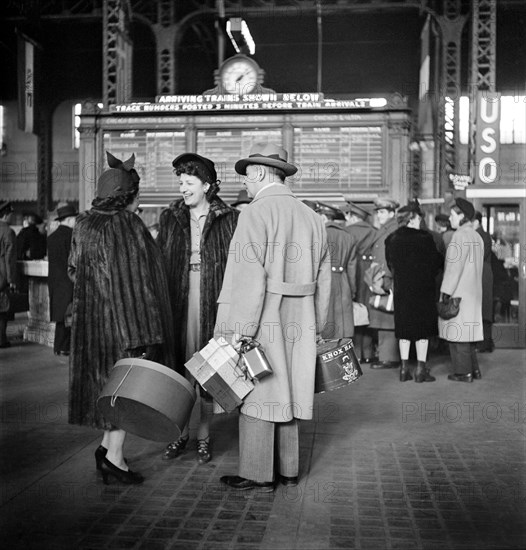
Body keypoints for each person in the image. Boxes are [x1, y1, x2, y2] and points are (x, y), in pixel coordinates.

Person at [216, 143, 331, 491]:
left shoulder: (254, 214)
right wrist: (317, 325)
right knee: (291, 393)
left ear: (261, 173)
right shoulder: (313, 217)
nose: (245, 186)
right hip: (302, 316)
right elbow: (326, 280)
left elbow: (248, 279)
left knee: (259, 394)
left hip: (264, 316)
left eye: (247, 178)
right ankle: (289, 469)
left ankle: (257, 473)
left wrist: (239, 331)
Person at [68, 152, 175, 484]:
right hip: (124, 326)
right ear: (129, 195)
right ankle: (115, 460)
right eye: (137, 195)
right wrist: (144, 336)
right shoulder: (125, 224)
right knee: (124, 392)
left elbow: (73, 270)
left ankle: (104, 448)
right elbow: (136, 283)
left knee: (104, 388)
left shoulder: (84, 222)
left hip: (91, 326)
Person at [157, 152, 239, 464]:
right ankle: (178, 435)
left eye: (189, 182)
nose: (183, 188)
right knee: (179, 371)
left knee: (207, 372)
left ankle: (203, 437)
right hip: (178, 304)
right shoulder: (170, 217)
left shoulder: (229, 219)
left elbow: (238, 266)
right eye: (180, 182)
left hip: (213, 304)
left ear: (206, 185)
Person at [385, 201, 443, 382]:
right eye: (418, 217)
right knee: (422, 332)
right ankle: (420, 370)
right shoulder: (426, 239)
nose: (420, 221)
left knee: (404, 330)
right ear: (412, 218)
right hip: (423, 291)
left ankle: (403, 370)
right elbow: (437, 264)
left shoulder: (392, 239)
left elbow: (390, 264)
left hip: (402, 290)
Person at [439, 198, 484, 382]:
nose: (450, 219)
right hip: (473, 293)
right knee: (468, 334)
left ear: (461, 216)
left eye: (452, 215)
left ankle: (463, 373)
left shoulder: (459, 236)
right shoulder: (477, 236)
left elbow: (453, 268)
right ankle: (474, 370)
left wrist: (445, 292)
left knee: (458, 336)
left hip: (459, 293)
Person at [305, 200, 356, 339]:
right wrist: (353, 289)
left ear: (323, 217)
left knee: (324, 315)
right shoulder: (348, 237)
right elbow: (352, 267)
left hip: (322, 278)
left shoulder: (318, 234)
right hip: (342, 279)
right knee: (342, 318)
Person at [342, 201, 377, 362]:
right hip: (370, 272)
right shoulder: (374, 231)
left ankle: (356, 354)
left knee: (354, 310)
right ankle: (368, 353)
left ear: (353, 216)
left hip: (354, 270)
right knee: (368, 311)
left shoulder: (347, 231)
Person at [368, 198, 401, 369]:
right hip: (380, 277)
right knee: (382, 317)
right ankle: (385, 354)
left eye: (382, 212)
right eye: (378, 212)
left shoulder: (393, 230)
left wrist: (383, 279)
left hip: (386, 279)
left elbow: (390, 258)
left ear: (391, 213)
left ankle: (389, 357)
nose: (379, 215)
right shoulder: (386, 229)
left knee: (387, 317)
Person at [47, 204, 78, 356]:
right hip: (69, 280)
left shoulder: (52, 237)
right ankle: (66, 347)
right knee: (70, 315)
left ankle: (58, 346)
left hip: (55, 281)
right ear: (70, 219)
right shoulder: (72, 236)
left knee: (60, 316)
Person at [473, 211, 494, 352]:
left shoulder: (482, 236)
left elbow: (478, 256)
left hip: (482, 276)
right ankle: (484, 342)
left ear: (476, 221)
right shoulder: (482, 235)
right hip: (481, 275)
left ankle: (485, 343)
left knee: (484, 310)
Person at [0, 202, 17, 348]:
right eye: (11, 214)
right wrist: (12, 280)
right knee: (2, 309)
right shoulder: (8, 231)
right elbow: (9, 258)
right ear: (6, 214)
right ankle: (1, 340)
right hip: (1, 276)